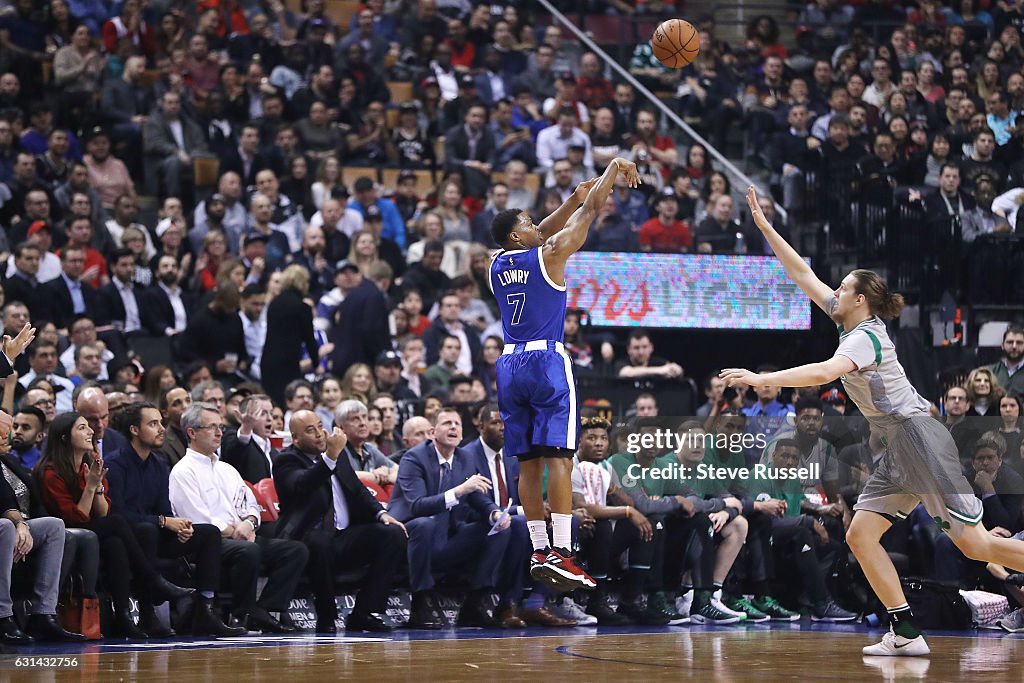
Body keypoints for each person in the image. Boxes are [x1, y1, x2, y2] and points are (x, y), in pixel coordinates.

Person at [721, 186, 1024, 657]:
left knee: (976, 545)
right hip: (900, 445)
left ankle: (907, 631)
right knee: (861, 535)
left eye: (841, 288)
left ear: (860, 300)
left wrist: (763, 377)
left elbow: (823, 373)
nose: (833, 291)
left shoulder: (864, 338)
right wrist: (765, 227)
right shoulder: (850, 324)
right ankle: (905, 632)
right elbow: (802, 272)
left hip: (919, 440)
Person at [488, 156, 640, 592]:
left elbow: (543, 232)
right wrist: (611, 171)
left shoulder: (496, 263)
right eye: (531, 221)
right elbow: (589, 212)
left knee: (528, 463)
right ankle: (564, 550)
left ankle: (540, 550)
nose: (540, 225)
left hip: (509, 364)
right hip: (546, 363)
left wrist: (572, 197)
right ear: (520, 234)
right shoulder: (551, 256)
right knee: (561, 458)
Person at [37, 412, 195, 638]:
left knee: (115, 544)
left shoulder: (86, 466)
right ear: (64, 437)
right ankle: (153, 580)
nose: (90, 431)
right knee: (117, 524)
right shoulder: (51, 472)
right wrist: (91, 487)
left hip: (92, 531)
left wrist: (97, 486)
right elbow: (75, 519)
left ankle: (122, 616)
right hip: (64, 533)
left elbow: (102, 512)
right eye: (82, 428)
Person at [105, 402, 244, 637]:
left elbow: (164, 509)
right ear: (134, 430)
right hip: (128, 538)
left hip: (155, 534)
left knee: (208, 532)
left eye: (160, 423)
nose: (161, 428)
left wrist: (179, 526)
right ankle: (147, 614)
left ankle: (205, 610)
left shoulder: (158, 463)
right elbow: (117, 513)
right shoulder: (115, 463)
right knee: (146, 530)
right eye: (152, 424)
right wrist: (162, 522)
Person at [274, 410, 407, 633]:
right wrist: (330, 458)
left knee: (393, 534)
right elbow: (303, 484)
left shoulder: (337, 453)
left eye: (319, 426)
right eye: (310, 430)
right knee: (320, 542)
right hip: (306, 536)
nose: (319, 434)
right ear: (296, 439)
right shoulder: (286, 460)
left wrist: (381, 514)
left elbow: (356, 488)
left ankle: (364, 612)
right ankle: (326, 616)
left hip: (343, 534)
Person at [260, 264, 319, 405]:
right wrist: (316, 363)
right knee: (287, 402)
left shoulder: (274, 304)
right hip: (288, 363)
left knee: (272, 402)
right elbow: (309, 338)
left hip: (268, 361)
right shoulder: (302, 307)